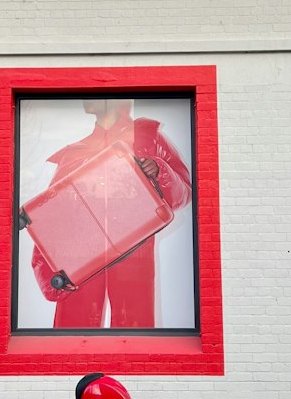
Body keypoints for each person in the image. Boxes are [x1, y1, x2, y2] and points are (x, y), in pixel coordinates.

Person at [30, 99, 192, 329]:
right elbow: (53, 220)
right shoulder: (74, 153)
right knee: (74, 331)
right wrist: (48, 273)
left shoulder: (147, 137)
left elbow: (183, 193)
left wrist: (160, 170)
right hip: (82, 255)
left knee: (134, 330)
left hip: (134, 249)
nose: (85, 96)